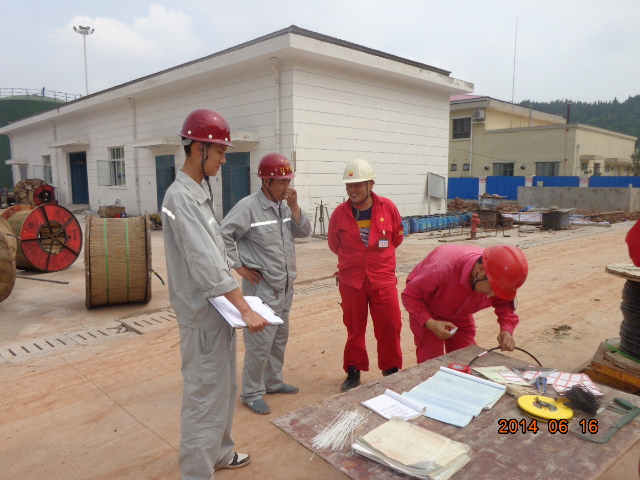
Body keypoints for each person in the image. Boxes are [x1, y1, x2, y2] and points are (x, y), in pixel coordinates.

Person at [161, 108, 269, 479]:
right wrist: (245, 308)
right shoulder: (181, 199)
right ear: (198, 149)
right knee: (204, 397)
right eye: (220, 151)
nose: (223, 160)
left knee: (223, 389)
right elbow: (206, 265)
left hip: (217, 312)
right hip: (202, 316)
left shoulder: (198, 193)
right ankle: (196, 471)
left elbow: (217, 248)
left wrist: (236, 289)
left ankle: (220, 453)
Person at [221, 153, 311, 415]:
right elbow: (223, 234)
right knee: (259, 345)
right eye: (281, 182)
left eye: (288, 181)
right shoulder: (248, 207)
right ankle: (251, 393)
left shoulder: (285, 206)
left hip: (285, 287)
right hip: (261, 290)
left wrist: (295, 207)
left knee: (279, 339)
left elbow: (304, 232)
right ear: (266, 181)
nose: (286, 186)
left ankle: (273, 382)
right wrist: (238, 265)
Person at [327, 158, 404, 392]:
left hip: (382, 279)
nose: (353, 190)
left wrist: (376, 260)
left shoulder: (388, 208)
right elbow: (334, 244)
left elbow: (396, 238)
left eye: (358, 185)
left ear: (371, 184)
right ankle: (353, 371)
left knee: (390, 325)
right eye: (349, 185)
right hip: (352, 281)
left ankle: (390, 370)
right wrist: (355, 261)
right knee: (354, 328)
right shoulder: (339, 214)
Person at [401, 244, 528, 363]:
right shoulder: (441, 269)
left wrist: (506, 330)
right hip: (429, 309)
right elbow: (410, 296)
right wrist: (431, 323)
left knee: (466, 359)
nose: (492, 295)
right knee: (432, 362)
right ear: (480, 271)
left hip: (461, 314)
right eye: (492, 289)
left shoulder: (497, 277)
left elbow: (505, 304)